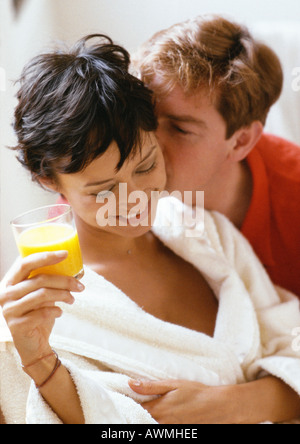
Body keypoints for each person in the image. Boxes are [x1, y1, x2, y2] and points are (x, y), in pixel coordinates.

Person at [0, 35, 300, 425]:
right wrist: (43, 367)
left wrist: (234, 403)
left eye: (145, 167)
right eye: (103, 190)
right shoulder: (41, 310)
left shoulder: (202, 230)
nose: (134, 199)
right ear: (48, 181)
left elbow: (290, 337)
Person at [133, 15, 300, 297]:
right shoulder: (111, 162)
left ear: (241, 141)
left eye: (179, 128)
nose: (147, 143)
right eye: (144, 117)